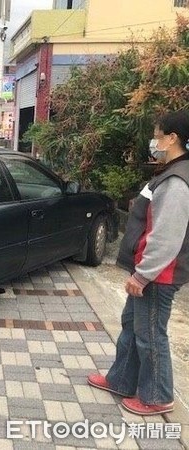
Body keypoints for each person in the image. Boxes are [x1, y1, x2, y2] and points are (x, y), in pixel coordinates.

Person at [87, 110, 189, 415]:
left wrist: (143, 276)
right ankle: (121, 380)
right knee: (132, 326)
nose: (153, 142)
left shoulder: (177, 180)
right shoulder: (170, 172)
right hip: (151, 272)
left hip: (159, 276)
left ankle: (157, 396)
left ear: (172, 138)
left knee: (150, 335)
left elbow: (167, 235)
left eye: (157, 135)